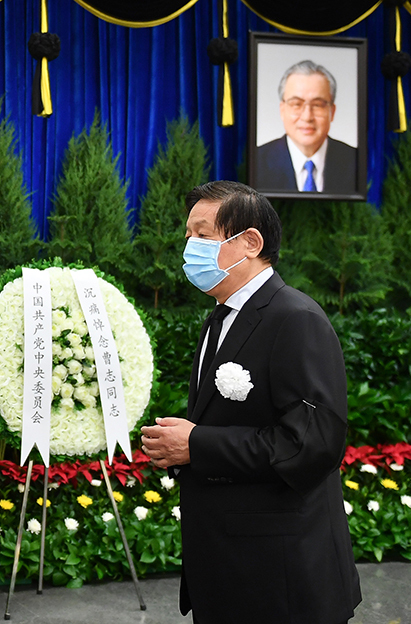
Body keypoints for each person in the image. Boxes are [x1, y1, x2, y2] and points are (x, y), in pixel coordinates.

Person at [140, 181, 361, 624]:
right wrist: (181, 445)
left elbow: (312, 445)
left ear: (251, 243)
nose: (189, 247)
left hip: (280, 577)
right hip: (227, 568)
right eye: (188, 235)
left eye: (203, 235)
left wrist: (197, 444)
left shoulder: (295, 318)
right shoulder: (220, 317)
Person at [255, 60, 358, 194]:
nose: (307, 117)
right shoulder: (256, 162)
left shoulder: (357, 162)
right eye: (297, 104)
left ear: (332, 112)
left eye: (317, 105)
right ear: (282, 110)